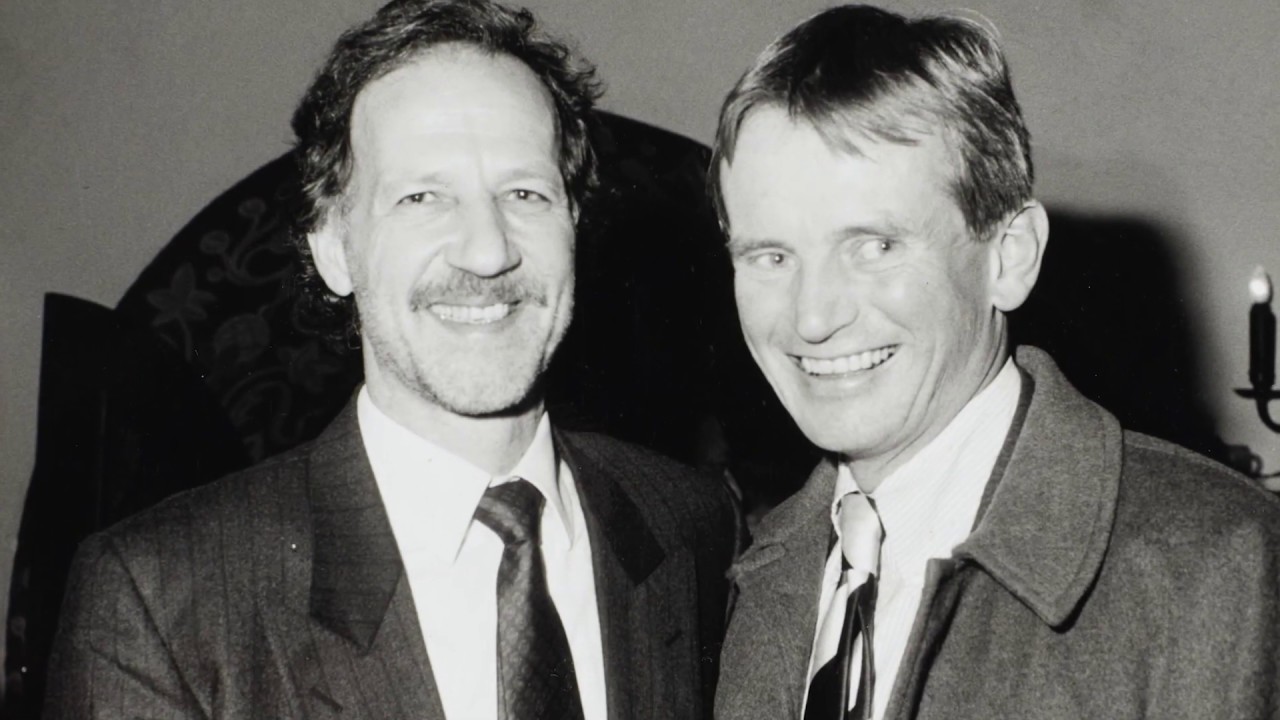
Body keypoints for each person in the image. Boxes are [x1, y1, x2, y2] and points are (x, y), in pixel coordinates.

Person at [44, 1, 736, 718]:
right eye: (422, 197)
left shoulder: (694, 526)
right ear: (334, 248)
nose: (487, 251)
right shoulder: (158, 601)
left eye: (525, 192)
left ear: (573, 224)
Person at [710, 5, 1280, 719]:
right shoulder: (761, 573)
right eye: (770, 256)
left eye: (875, 246)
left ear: (1009, 259)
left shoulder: (1220, 567)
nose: (812, 318)